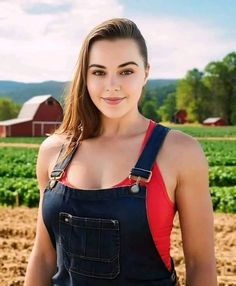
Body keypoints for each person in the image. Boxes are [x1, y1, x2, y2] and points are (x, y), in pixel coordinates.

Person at [24, 18, 218, 286]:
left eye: (126, 71)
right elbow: (44, 257)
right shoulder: (53, 151)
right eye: (99, 72)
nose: (112, 85)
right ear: (85, 75)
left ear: (146, 73)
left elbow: (201, 264)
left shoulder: (180, 152)